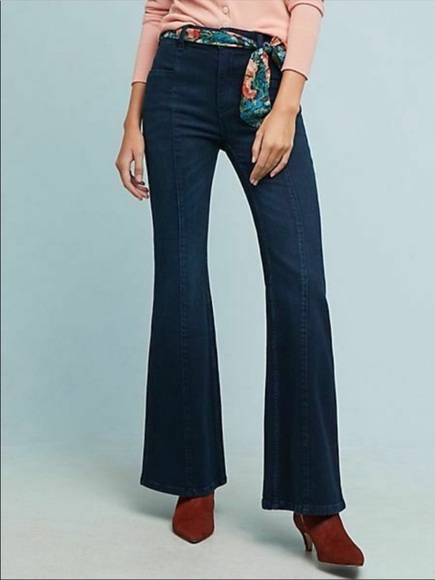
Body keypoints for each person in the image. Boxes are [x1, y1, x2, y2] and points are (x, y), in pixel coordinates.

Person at [115, 0, 364, 568]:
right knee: (180, 279)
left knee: (300, 283)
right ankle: (191, 477)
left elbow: (307, 6)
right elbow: (156, 12)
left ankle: (316, 502)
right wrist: (132, 118)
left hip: (263, 81)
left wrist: (287, 104)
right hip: (177, 80)